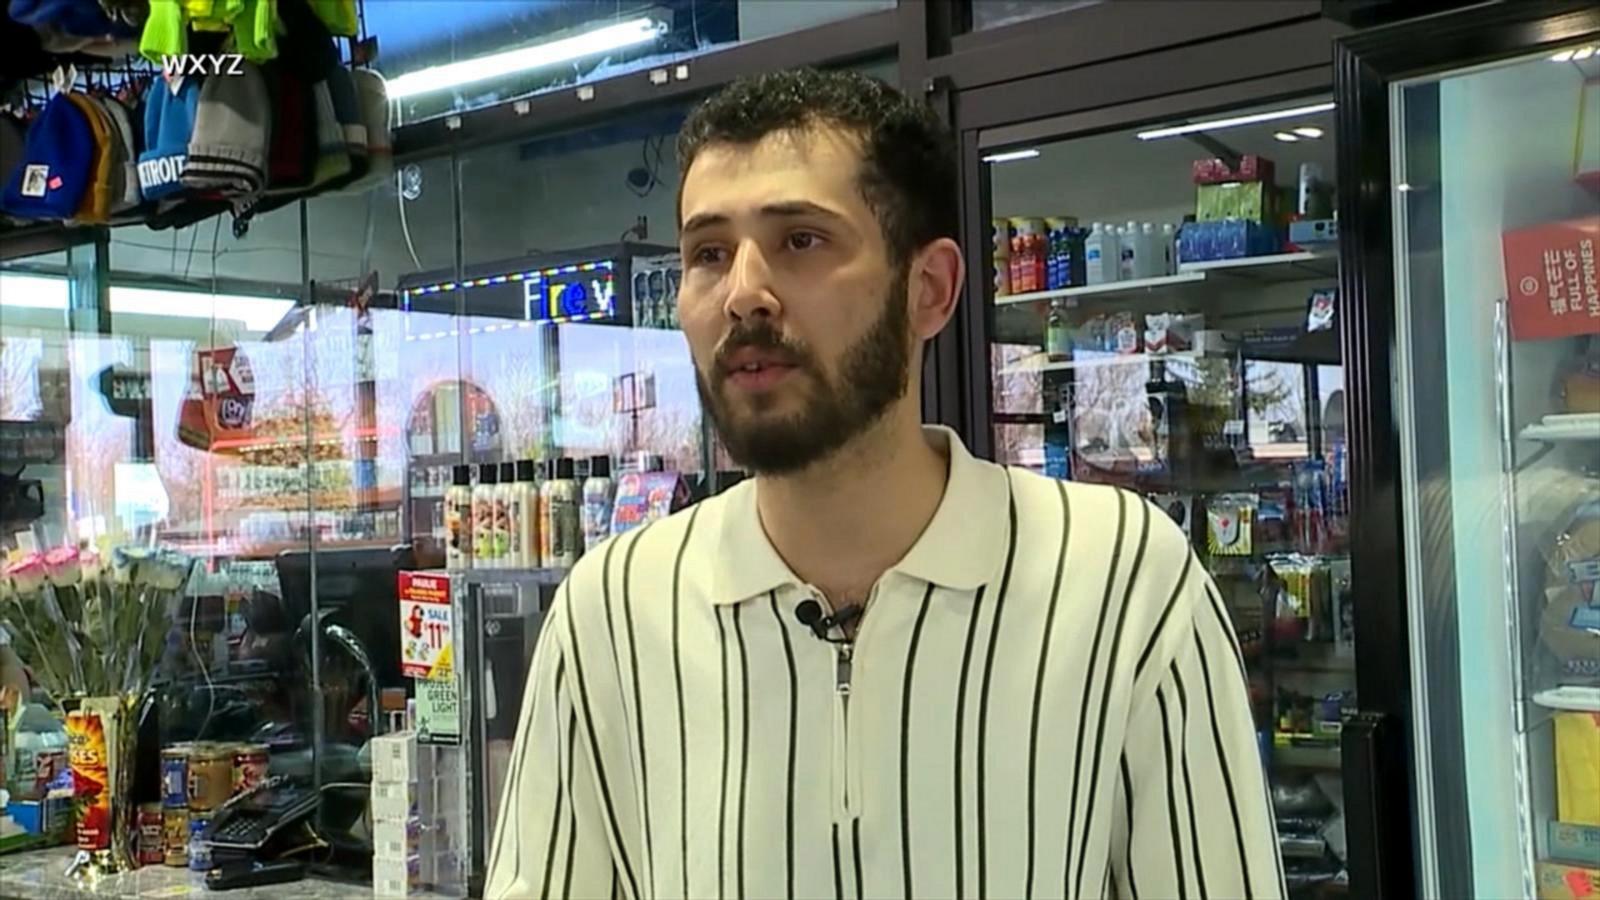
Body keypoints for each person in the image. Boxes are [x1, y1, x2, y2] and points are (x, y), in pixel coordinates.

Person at [486, 68, 1284, 900]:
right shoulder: (611, 613)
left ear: (928, 290)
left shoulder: (1124, 581)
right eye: (708, 254)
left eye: (802, 240)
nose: (743, 294)